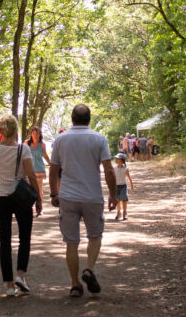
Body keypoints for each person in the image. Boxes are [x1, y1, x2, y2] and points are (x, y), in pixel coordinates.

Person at [49, 104, 117, 298]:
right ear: (89, 119)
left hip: (68, 197)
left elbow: (53, 170)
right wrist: (113, 194)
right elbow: (108, 169)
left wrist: (54, 194)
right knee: (95, 236)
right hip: (92, 196)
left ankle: (75, 284)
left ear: (72, 119)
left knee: (71, 242)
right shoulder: (99, 138)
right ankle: (89, 268)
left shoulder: (61, 139)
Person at [0, 115, 42, 296]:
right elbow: (31, 176)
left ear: (1, 130)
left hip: (1, 198)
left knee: (5, 242)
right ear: (16, 130)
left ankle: (10, 285)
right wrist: (39, 199)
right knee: (24, 238)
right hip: (21, 197)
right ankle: (20, 274)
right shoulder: (24, 149)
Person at [24, 126, 50, 205]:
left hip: (39, 169)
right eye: (33, 133)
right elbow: (22, 154)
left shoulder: (42, 145)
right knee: (28, 189)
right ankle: (28, 206)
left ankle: (39, 206)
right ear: (31, 134)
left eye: (37, 133)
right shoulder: (26, 143)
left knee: (39, 188)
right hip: (29, 169)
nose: (35, 135)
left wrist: (51, 163)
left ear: (40, 134)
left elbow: (45, 155)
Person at [113, 153, 134, 220]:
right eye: (115, 158)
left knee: (124, 200)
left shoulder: (125, 169)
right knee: (117, 200)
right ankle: (118, 212)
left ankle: (125, 212)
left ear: (121, 160)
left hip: (123, 186)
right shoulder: (114, 168)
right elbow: (112, 177)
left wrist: (131, 186)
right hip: (116, 186)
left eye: (117, 159)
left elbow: (129, 178)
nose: (115, 160)